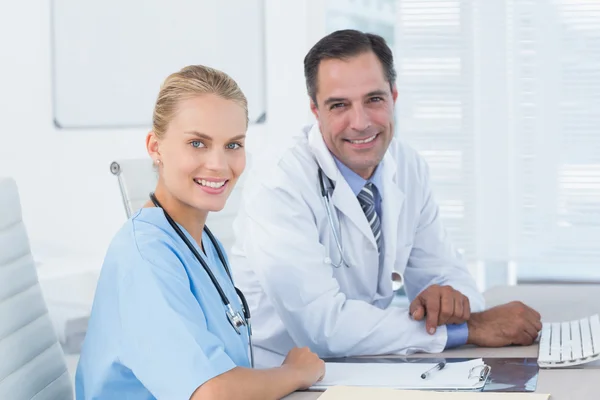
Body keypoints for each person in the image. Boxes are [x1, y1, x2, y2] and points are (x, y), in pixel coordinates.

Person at [230, 29, 543, 367]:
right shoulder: (279, 180)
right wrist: (469, 328)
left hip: (366, 363)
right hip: (278, 373)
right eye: (339, 105)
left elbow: (449, 276)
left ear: (394, 96)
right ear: (315, 110)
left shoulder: (407, 166)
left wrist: (450, 300)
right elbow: (321, 328)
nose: (361, 123)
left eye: (374, 99)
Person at [75, 65, 325, 399]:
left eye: (233, 145)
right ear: (155, 147)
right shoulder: (146, 257)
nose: (219, 165)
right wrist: (293, 374)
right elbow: (209, 393)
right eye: (197, 143)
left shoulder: (203, 243)